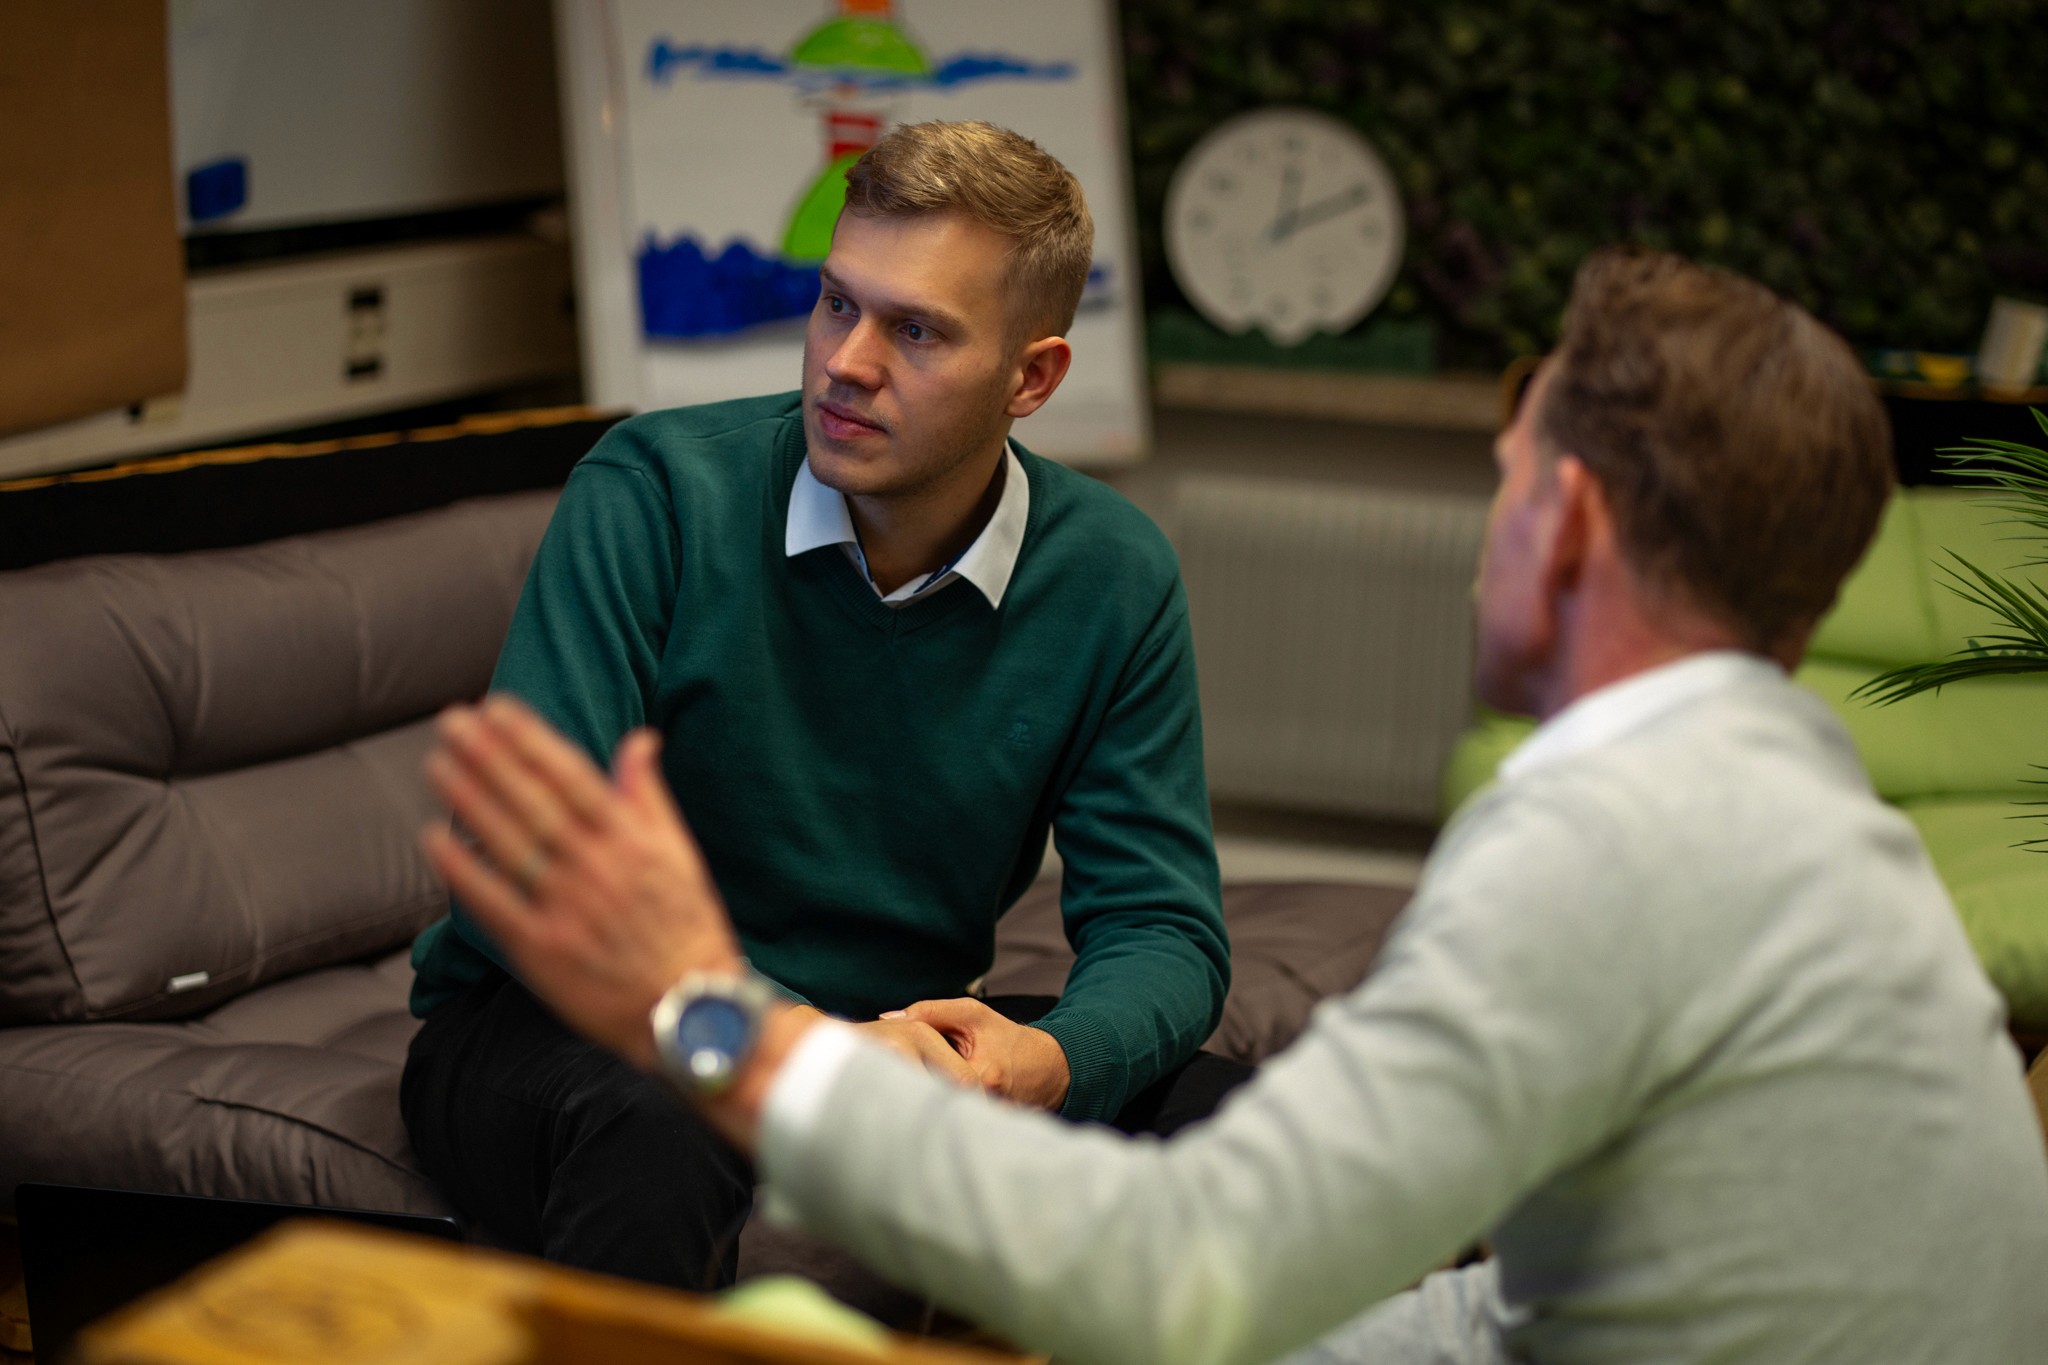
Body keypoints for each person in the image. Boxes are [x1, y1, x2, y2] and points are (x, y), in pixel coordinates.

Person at [421, 248, 2048, 1364]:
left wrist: (726, 1032)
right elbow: (1528, 1321)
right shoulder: (1817, 821)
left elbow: (1186, 1274)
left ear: (1560, 531)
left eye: (1501, 483)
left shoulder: (1604, 839)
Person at [401, 120, 1245, 1291]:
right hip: (568, 1024)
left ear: (1031, 377)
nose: (845, 362)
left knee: (1234, 1124)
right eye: (836, 305)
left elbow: (1161, 926)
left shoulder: (1110, 574)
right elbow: (525, 867)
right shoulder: (654, 492)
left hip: (885, 1035)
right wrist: (798, 1044)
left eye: (915, 331)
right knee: (675, 1111)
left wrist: (1041, 1061)